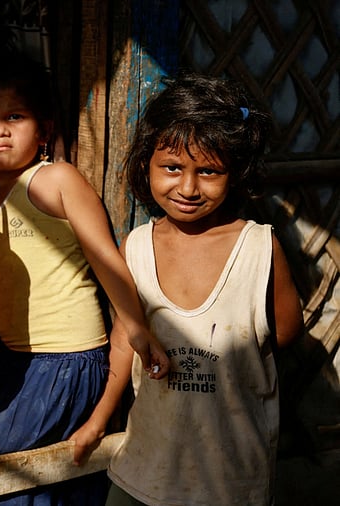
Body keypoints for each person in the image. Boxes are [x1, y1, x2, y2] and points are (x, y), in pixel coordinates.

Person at [0, 32, 169, 504]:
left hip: (63, 362)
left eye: (14, 118)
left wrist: (137, 327)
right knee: (0, 481)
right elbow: (19, 272)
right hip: (15, 360)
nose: (0, 130)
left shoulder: (54, 180)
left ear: (43, 130)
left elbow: (105, 259)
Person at [70, 71, 303, 506]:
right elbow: (125, 338)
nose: (189, 188)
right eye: (172, 167)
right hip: (144, 468)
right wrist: (99, 421)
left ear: (235, 174)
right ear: (147, 164)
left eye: (209, 171)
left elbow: (287, 332)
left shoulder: (257, 248)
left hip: (230, 479)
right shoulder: (137, 247)